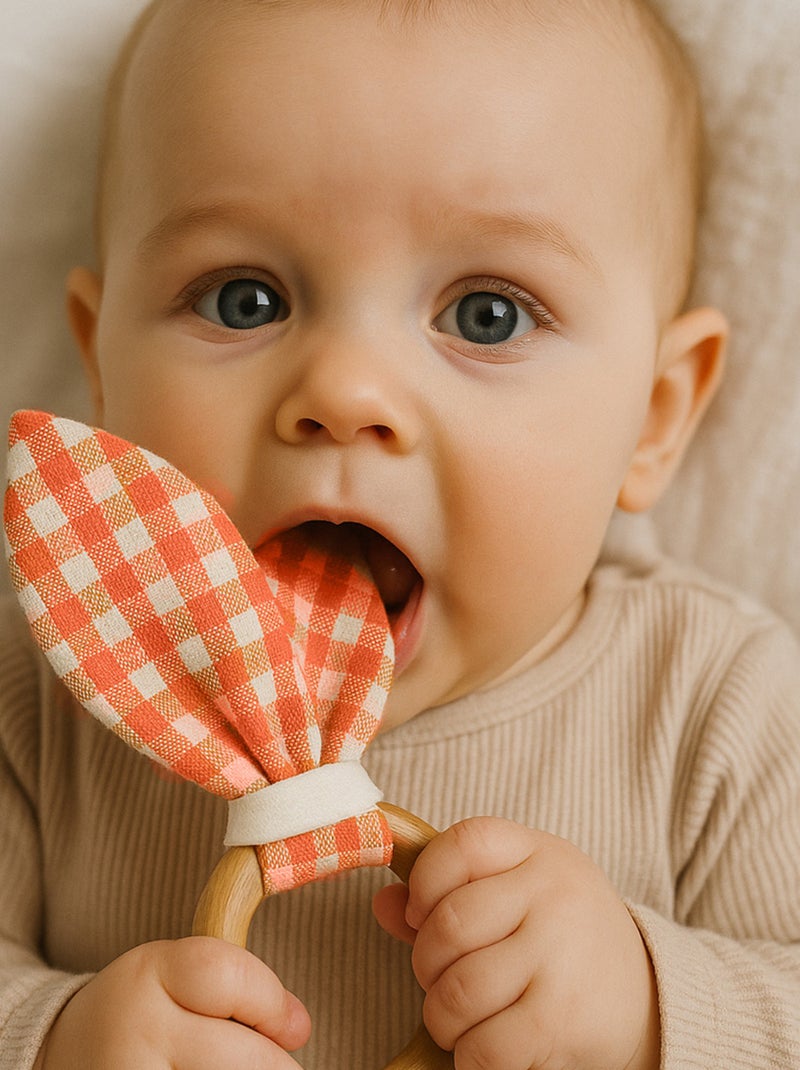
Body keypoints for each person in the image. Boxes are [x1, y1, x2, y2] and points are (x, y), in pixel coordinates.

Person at [1, 0, 799, 1067]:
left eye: (486, 314)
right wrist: (54, 1036)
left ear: (652, 417)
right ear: (101, 369)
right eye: (243, 298)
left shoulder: (715, 708)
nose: (342, 389)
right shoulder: (44, 697)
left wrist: (653, 1003)